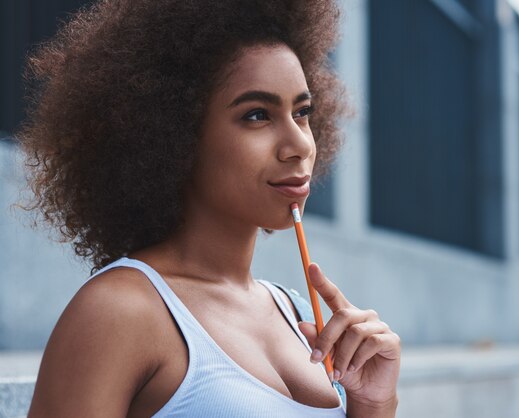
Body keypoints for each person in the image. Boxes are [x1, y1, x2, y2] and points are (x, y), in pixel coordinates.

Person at [15, 0, 401, 416]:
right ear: (173, 134)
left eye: (302, 112)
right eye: (257, 115)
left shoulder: (300, 315)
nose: (300, 145)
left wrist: (373, 403)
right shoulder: (119, 312)